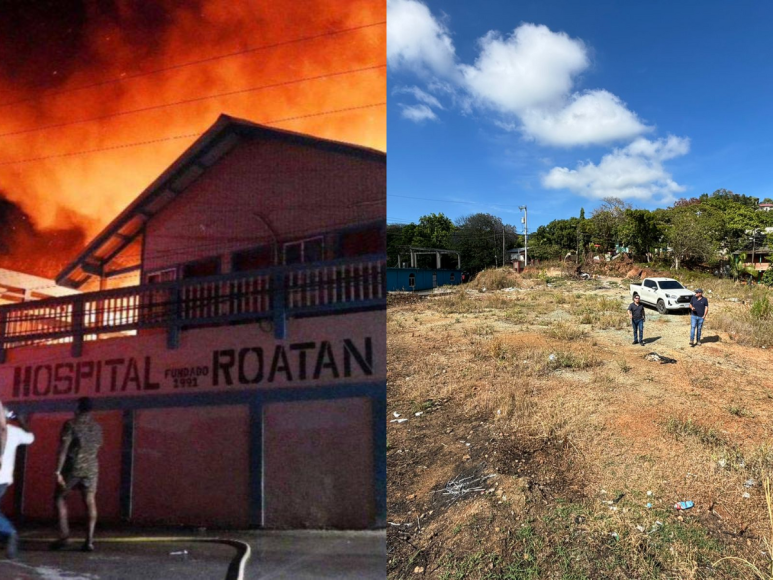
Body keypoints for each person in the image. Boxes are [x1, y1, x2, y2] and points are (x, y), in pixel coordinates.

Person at [51, 398, 103, 552]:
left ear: (78, 408)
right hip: (92, 468)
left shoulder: (71, 424)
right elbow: (98, 446)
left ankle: (64, 536)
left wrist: (58, 471)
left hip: (73, 468)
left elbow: (63, 449)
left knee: (60, 498)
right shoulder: (97, 427)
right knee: (89, 501)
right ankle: (89, 541)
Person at [0, 410, 34, 559]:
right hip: (4, 479)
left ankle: (9, 532)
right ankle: (7, 532)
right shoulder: (14, 432)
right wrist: (22, 422)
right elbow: (31, 437)